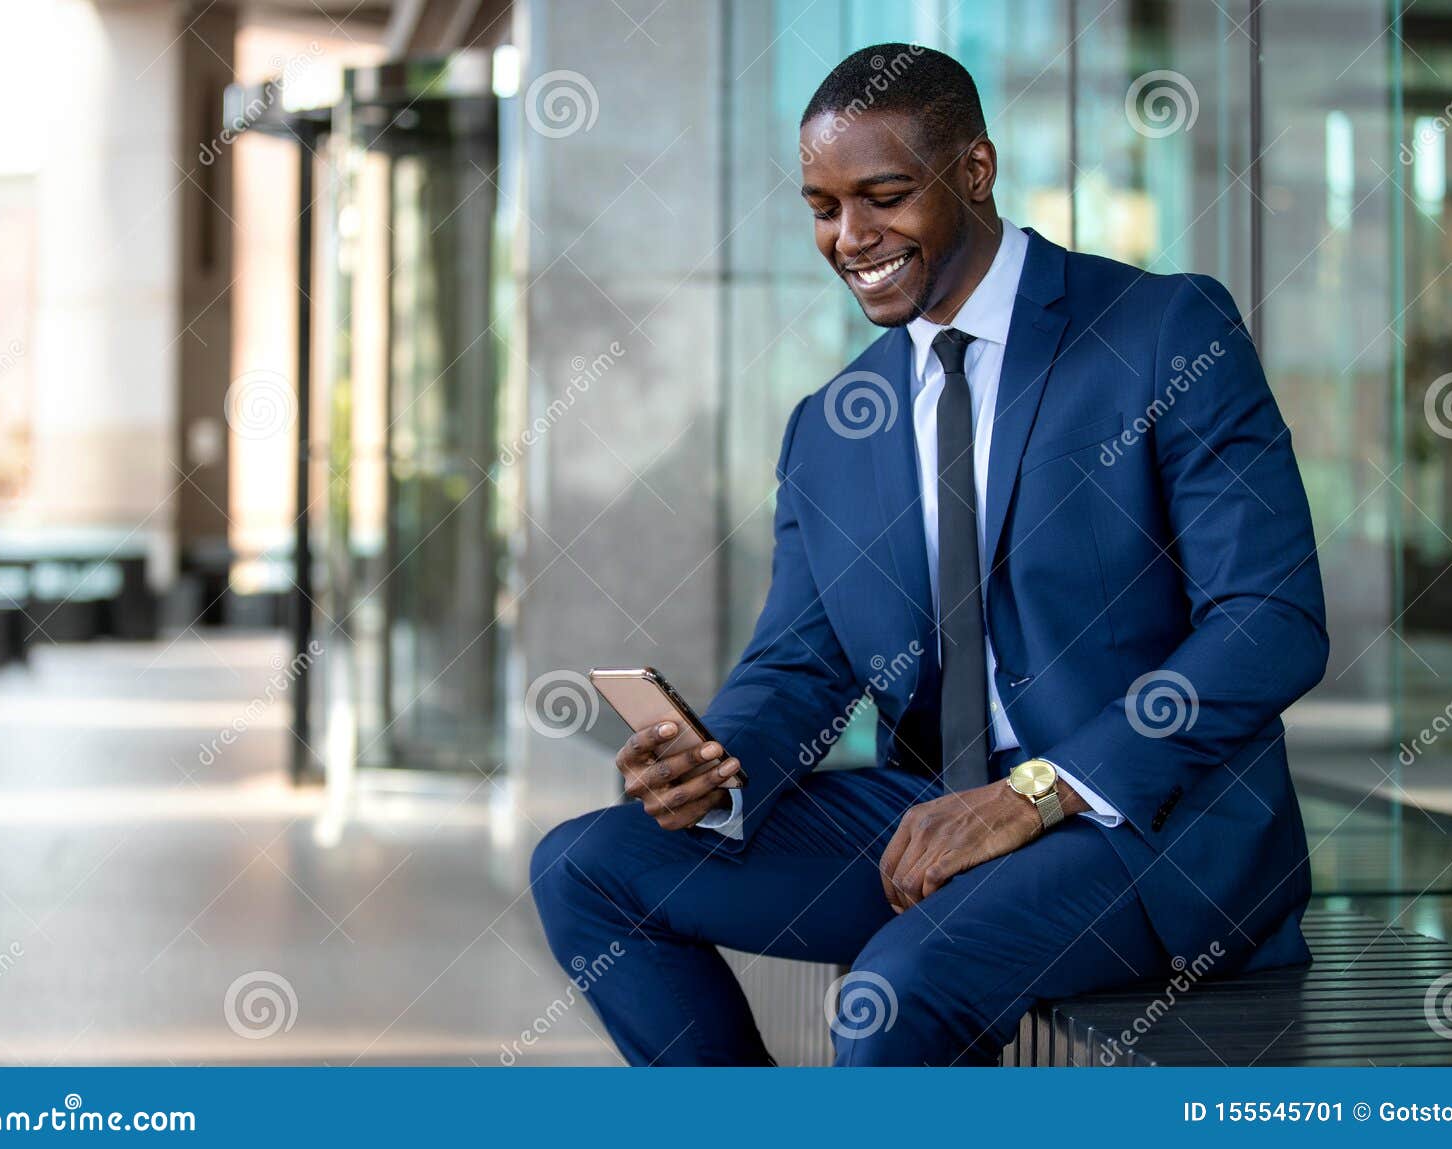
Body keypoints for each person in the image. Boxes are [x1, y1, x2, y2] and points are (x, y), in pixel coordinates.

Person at [531, 43, 1328, 1066]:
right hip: (931, 813)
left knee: (895, 991)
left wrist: (1038, 792)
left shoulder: (1160, 330)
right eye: (822, 206)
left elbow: (1271, 622)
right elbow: (801, 664)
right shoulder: (833, 424)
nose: (850, 237)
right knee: (584, 866)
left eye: (885, 195)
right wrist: (714, 767)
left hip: (1141, 823)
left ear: (975, 172)